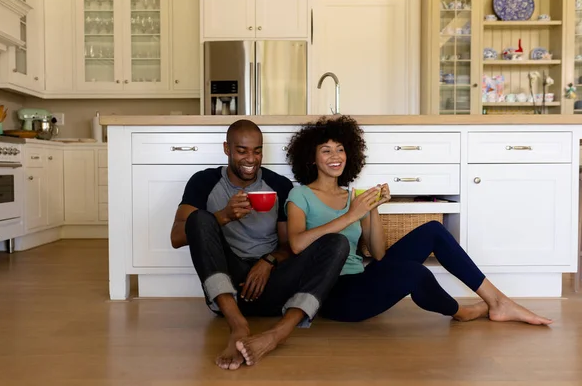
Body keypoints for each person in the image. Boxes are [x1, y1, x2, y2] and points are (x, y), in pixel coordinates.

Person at [284, 115, 553, 326]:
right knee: (415, 274)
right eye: (326, 151)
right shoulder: (301, 195)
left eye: (340, 150)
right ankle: (461, 312)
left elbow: (378, 254)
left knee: (434, 230)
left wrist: (373, 208)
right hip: (332, 296)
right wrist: (351, 215)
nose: (335, 157)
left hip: (361, 280)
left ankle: (498, 301)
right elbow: (296, 245)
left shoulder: (353, 196)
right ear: (312, 157)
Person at [170, 119, 350, 370]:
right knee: (199, 218)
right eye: (242, 150)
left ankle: (278, 333)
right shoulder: (204, 181)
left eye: (257, 151)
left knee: (337, 243)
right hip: (228, 286)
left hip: (272, 285)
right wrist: (224, 216)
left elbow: (291, 246)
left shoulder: (279, 185)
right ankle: (238, 325)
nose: (251, 159)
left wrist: (269, 261)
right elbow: (177, 236)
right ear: (227, 149)